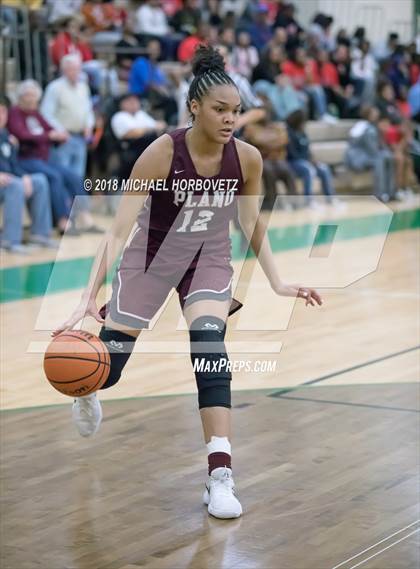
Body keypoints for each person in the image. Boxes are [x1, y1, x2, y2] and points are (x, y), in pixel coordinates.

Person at [53, 46, 322, 520]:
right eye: (220, 110)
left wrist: (279, 283)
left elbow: (252, 224)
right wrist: (86, 298)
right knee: (110, 367)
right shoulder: (161, 153)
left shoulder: (248, 159)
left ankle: (220, 475)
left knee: (209, 348)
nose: (229, 120)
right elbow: (117, 232)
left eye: (236, 111)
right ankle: (91, 386)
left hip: (208, 260)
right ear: (194, 107)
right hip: (150, 259)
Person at [8, 80, 100, 235]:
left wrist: (60, 134)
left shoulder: (36, 114)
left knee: (73, 177)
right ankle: (62, 221)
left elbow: (50, 129)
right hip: (25, 160)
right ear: (20, 96)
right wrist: (48, 136)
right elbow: (22, 135)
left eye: (33, 96)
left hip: (43, 160)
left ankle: (84, 216)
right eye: (27, 95)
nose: (31, 99)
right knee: (55, 177)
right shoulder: (15, 113)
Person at [0, 98, 56, 253]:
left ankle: (40, 234)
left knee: (39, 180)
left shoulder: (6, 136)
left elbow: (13, 166)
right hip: (5, 183)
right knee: (15, 185)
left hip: (8, 181)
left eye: (3, 111)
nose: (1, 115)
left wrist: (24, 176)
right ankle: (9, 241)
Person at [40, 54, 95, 179]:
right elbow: (46, 114)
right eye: (71, 69)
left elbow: (88, 110)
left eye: (77, 69)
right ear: (63, 70)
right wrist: (61, 131)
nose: (75, 72)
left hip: (81, 137)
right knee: (63, 175)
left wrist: (89, 126)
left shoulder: (83, 87)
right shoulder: (54, 88)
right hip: (64, 139)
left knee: (78, 176)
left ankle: (77, 199)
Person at [286, 109, 338, 207]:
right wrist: (308, 161)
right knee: (308, 170)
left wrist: (313, 159)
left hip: (305, 161)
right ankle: (309, 201)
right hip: (293, 162)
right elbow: (292, 154)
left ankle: (330, 198)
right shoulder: (289, 133)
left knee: (324, 168)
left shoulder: (303, 133)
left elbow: (308, 151)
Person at [345, 105, 397, 202]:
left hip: (368, 156)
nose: (377, 114)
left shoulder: (374, 126)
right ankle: (379, 194)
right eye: (374, 113)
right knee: (379, 160)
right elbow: (372, 149)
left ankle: (391, 192)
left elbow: (378, 147)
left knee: (389, 156)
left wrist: (386, 151)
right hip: (357, 158)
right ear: (369, 114)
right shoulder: (363, 126)